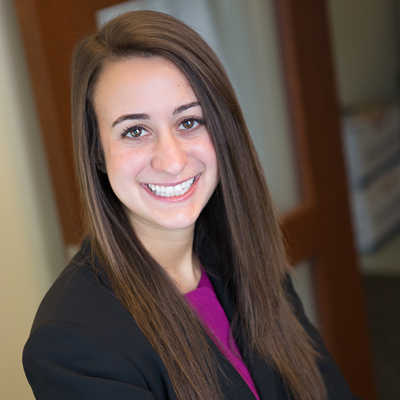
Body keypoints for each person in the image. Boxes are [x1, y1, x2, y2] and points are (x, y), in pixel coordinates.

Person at [23, 10, 358, 400]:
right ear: (97, 153)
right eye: (135, 131)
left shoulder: (243, 254)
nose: (172, 159)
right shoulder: (70, 344)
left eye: (188, 122)